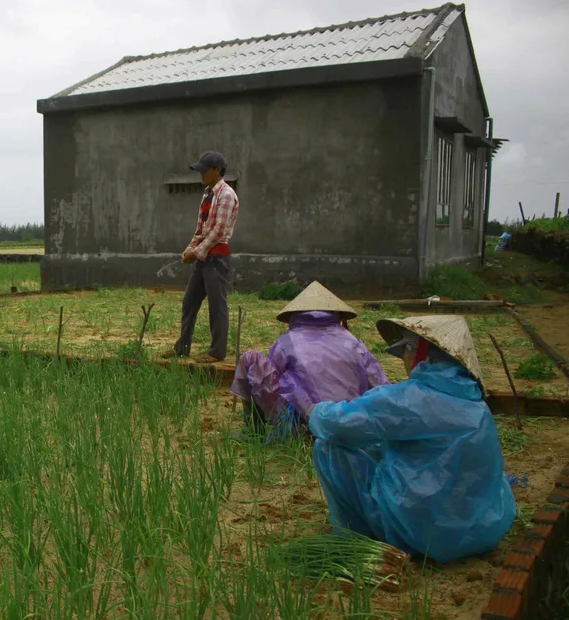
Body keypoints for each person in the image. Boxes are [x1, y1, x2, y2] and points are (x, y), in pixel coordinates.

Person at [309, 315, 516, 563]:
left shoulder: (411, 398)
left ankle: (353, 538)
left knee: (329, 445)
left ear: (417, 353)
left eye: (405, 352)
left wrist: (315, 411)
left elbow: (337, 424)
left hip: (425, 536)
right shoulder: (475, 403)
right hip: (484, 530)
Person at [230, 281, 388, 429]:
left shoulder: (288, 341)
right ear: (336, 315)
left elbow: (270, 378)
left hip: (307, 421)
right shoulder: (353, 342)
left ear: (295, 315)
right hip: (350, 420)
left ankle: (254, 428)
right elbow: (380, 383)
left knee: (252, 359)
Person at [163, 150, 239, 363]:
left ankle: (217, 352)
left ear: (217, 170)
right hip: (204, 258)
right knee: (189, 302)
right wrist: (189, 249)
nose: (201, 174)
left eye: (204, 170)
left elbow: (218, 230)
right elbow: (201, 228)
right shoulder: (208, 193)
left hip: (217, 259)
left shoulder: (226, 195)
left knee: (217, 305)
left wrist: (196, 252)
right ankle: (182, 348)